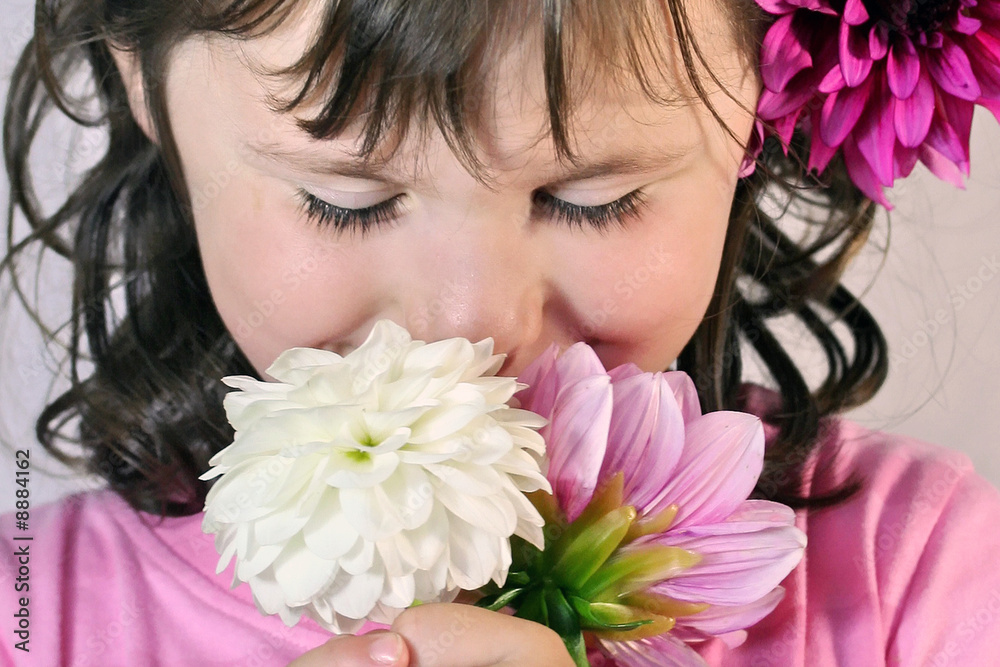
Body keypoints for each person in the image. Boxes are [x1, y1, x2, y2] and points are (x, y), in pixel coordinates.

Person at [2, 0, 999, 665]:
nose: (465, 328)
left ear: (758, 103)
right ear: (142, 82)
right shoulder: (32, 615)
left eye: (591, 199)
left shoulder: (920, 581)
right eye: (346, 202)